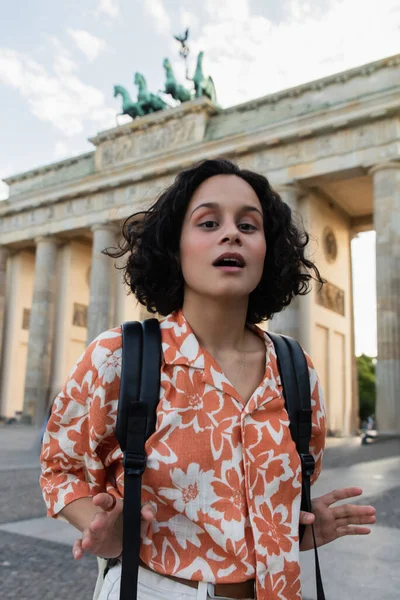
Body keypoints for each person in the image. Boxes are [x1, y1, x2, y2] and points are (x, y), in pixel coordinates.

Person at [40, 159, 376, 600]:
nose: (231, 233)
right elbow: (59, 466)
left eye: (249, 225)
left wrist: (299, 527)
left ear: (266, 251)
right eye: (209, 222)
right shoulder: (119, 356)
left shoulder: (296, 370)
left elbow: (274, 498)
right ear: (174, 248)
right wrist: (100, 526)